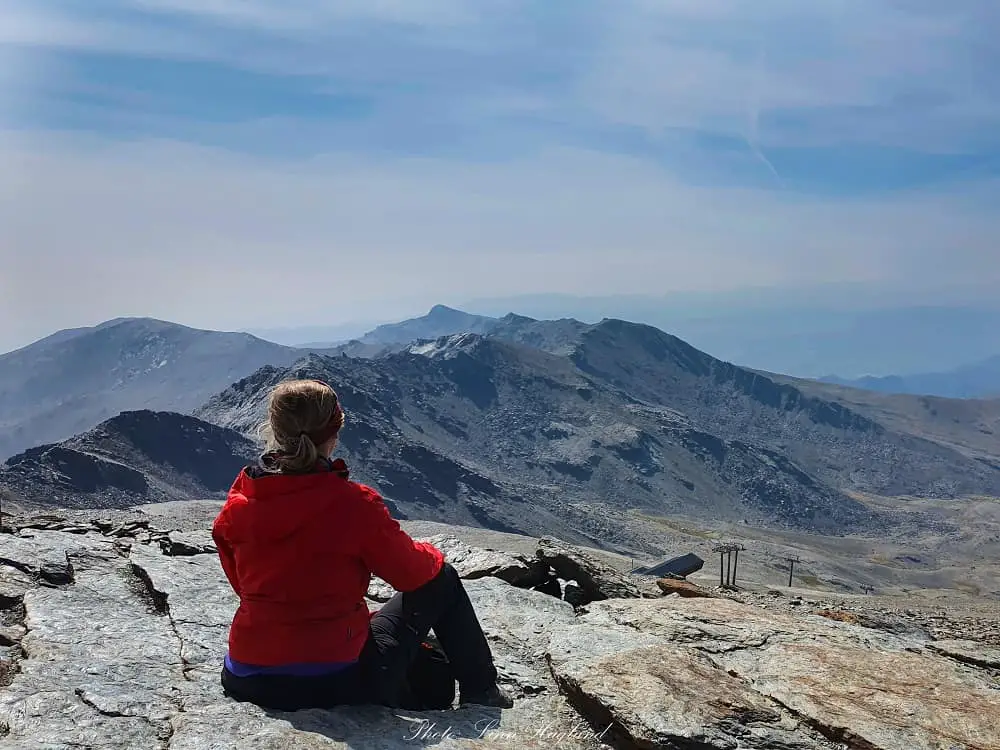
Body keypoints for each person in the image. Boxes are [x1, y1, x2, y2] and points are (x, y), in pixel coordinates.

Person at [211, 378, 513, 712]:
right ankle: (482, 693)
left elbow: (242, 584)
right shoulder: (354, 505)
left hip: (248, 675)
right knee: (444, 579)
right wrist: (429, 552)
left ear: (274, 430)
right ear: (334, 435)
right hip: (333, 678)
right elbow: (414, 575)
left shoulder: (239, 505)